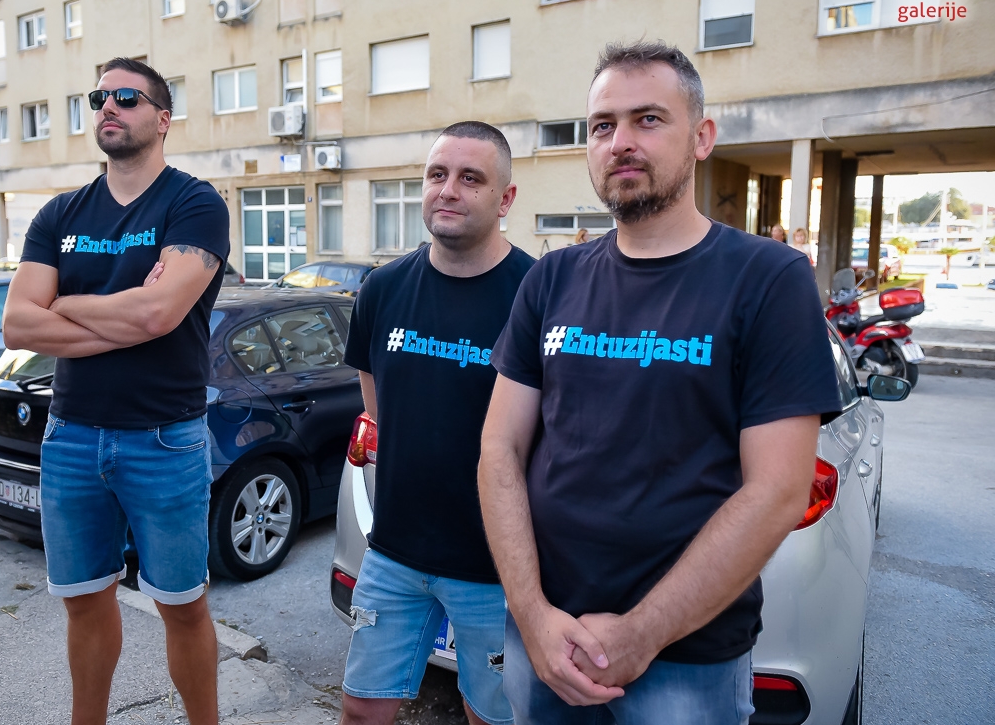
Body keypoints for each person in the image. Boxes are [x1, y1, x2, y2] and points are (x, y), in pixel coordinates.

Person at [478, 41, 841, 724]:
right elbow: (500, 449)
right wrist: (530, 612)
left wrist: (641, 634)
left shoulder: (768, 279)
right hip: (545, 638)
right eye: (602, 125)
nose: (621, 141)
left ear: (701, 138)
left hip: (686, 657)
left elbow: (778, 489)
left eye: (648, 119)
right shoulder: (551, 278)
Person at [3, 57, 229, 725]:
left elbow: (157, 315)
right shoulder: (60, 212)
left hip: (165, 438)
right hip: (71, 436)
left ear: (162, 120)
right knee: (84, 601)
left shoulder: (194, 204)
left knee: (182, 606)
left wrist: (66, 304)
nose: (108, 106)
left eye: (127, 97)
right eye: (99, 96)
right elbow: (18, 324)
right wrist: (130, 314)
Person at [340, 121, 534, 725]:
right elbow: (379, 407)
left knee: (490, 718)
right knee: (359, 711)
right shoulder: (382, 289)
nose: (448, 190)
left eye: (471, 178)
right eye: (436, 175)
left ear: (505, 198)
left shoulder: (537, 294)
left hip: (495, 568)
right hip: (393, 555)